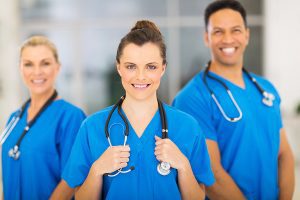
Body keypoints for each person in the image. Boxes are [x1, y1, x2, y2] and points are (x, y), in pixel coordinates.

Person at [62, 20, 215, 200]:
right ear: (119, 67)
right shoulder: (92, 127)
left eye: (151, 67)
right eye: (131, 66)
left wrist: (183, 165)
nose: (141, 76)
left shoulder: (187, 127)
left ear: (163, 68)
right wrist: (97, 170)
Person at [172, 0, 295, 199]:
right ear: (206, 37)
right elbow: (211, 174)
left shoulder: (266, 90)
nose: (228, 39)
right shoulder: (192, 98)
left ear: (246, 35)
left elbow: (285, 155)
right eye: (218, 31)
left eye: (236, 30)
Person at [0, 36, 86, 200]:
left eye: (45, 63)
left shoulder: (71, 117)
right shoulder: (14, 118)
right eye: (28, 64)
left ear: (57, 68)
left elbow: (73, 178)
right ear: (20, 68)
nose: (37, 71)